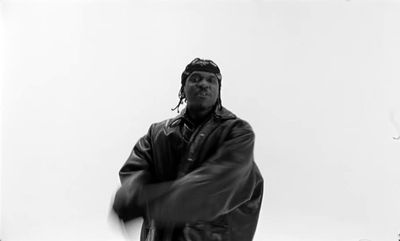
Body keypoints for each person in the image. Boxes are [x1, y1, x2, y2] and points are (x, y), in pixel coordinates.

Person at [112, 58, 264, 241]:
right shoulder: (157, 133)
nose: (203, 84)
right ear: (183, 87)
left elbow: (216, 185)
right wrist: (131, 192)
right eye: (196, 78)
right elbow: (134, 171)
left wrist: (144, 203)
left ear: (219, 89)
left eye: (211, 80)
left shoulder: (237, 133)